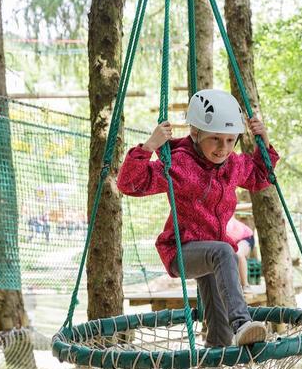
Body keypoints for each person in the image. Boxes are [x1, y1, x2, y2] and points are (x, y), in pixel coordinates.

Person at [117, 88, 278, 348]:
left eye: (229, 140)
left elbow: (261, 176)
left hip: (214, 256)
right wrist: (148, 147)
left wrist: (264, 141)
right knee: (226, 251)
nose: (222, 148)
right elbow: (129, 184)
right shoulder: (179, 164)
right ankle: (242, 321)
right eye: (215, 139)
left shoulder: (233, 166)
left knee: (220, 335)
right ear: (195, 133)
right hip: (182, 251)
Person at [226, 216, 255, 291]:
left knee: (238, 254)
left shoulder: (228, 220)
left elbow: (237, 234)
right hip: (233, 241)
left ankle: (246, 285)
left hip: (246, 237)